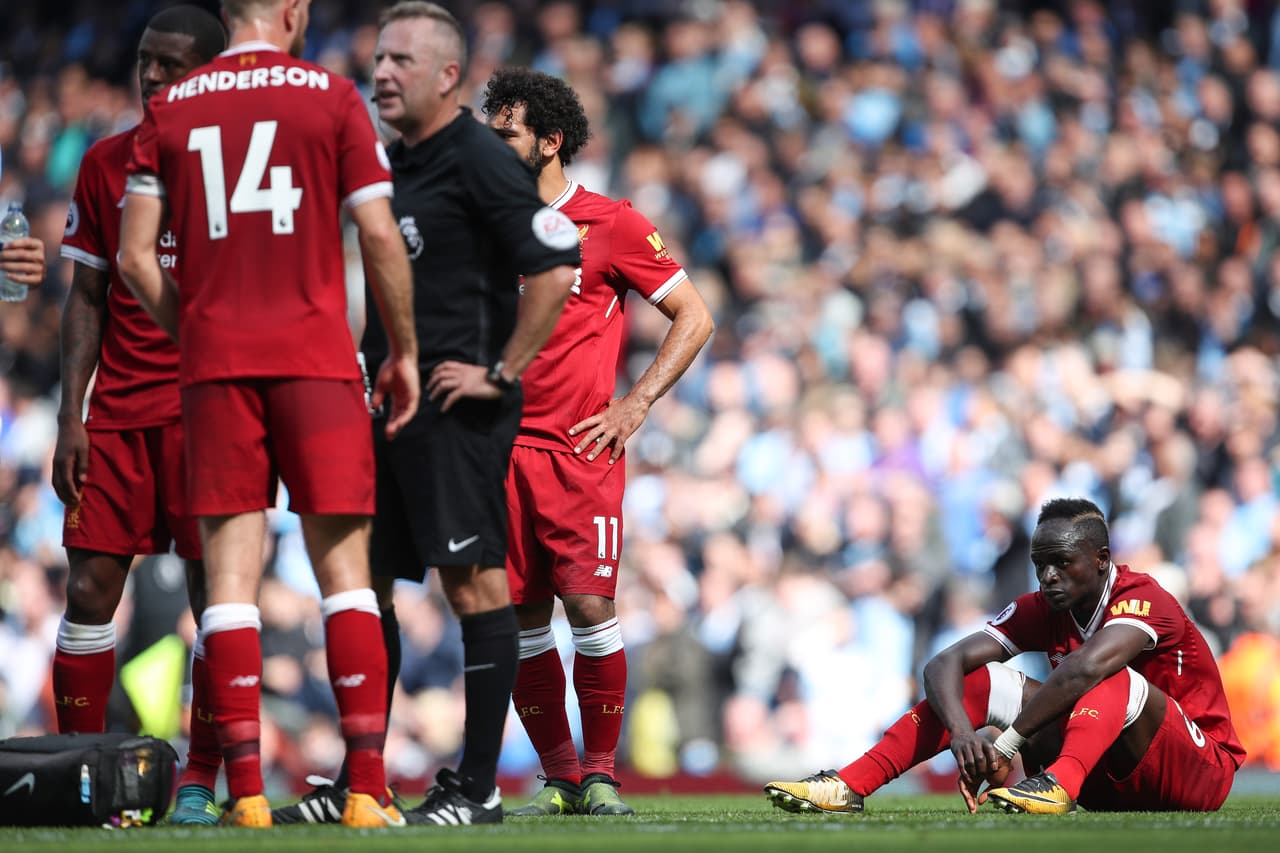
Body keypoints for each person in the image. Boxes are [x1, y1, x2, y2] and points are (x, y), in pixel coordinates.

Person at [272, 0, 578, 828]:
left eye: (401, 60)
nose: (381, 73)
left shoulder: (479, 159)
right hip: (385, 403)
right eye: (378, 58)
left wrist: (499, 373)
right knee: (367, 583)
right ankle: (363, 778)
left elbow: (557, 263)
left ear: (449, 76)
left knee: (474, 583)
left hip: (454, 408)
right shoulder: (387, 161)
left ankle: (478, 786)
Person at [117, 0, 420, 830]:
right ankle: (365, 789)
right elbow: (379, 233)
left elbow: (135, 256)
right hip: (316, 359)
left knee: (228, 586)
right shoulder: (332, 97)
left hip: (216, 365)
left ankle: (245, 794)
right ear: (293, 12)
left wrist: (196, 329)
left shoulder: (171, 109)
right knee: (346, 577)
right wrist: (403, 350)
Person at [482, 67, 714, 816]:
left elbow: (695, 316)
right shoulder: (480, 221)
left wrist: (636, 403)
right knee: (521, 619)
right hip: (497, 452)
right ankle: (560, 778)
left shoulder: (610, 222)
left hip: (579, 451)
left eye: (507, 133)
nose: (493, 144)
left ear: (550, 141)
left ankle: (602, 773)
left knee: (588, 607)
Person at [764, 498, 1245, 815]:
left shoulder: (1144, 598)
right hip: (1108, 779)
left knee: (1102, 672)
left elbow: (1085, 669)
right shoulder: (1045, 607)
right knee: (982, 682)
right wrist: (963, 736)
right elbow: (943, 664)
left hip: (1197, 773)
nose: (1048, 576)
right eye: (1040, 564)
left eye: (1062, 562)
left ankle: (1058, 784)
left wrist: (1007, 744)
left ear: (1101, 559)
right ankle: (848, 785)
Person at [51, 5, 227, 826]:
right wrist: (71, 413)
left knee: (215, 598)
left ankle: (199, 782)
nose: (153, 75)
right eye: (146, 60)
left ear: (210, 75)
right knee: (88, 587)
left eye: (173, 65)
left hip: (209, 412)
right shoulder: (104, 162)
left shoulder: (235, 168)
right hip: (118, 413)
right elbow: (85, 296)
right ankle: (77, 774)